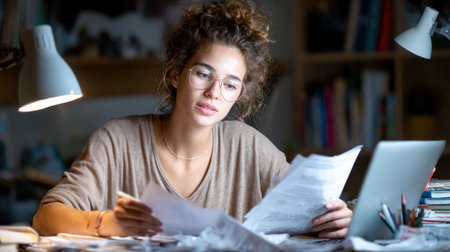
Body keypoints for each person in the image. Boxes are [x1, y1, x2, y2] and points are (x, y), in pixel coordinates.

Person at [32, 0, 352, 239]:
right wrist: (103, 222)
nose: (214, 93)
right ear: (175, 74)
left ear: (240, 94)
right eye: (203, 73)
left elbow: (309, 211)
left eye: (230, 84)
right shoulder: (117, 139)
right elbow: (46, 217)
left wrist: (339, 217)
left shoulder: (249, 146)